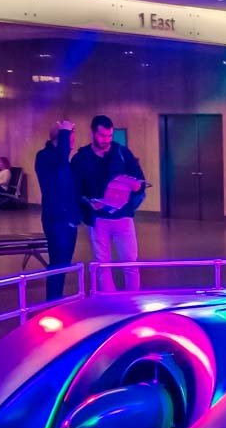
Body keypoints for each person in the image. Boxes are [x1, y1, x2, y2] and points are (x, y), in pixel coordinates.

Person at [72, 114, 147, 291]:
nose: (106, 140)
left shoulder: (122, 153)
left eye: (109, 136)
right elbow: (75, 190)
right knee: (102, 265)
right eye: (102, 136)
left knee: (131, 263)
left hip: (123, 216)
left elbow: (140, 180)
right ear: (92, 133)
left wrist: (137, 186)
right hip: (98, 218)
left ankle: (132, 299)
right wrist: (88, 203)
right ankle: (108, 300)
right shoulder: (81, 158)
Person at [35, 121, 80, 301]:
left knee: (64, 263)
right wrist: (65, 132)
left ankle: (56, 299)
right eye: (70, 138)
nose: (72, 142)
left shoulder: (62, 160)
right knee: (58, 263)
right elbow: (60, 162)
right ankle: (53, 301)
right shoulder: (45, 157)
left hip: (68, 219)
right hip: (56, 219)